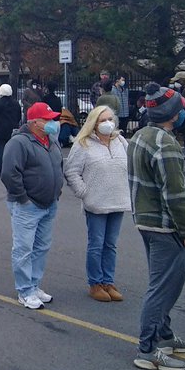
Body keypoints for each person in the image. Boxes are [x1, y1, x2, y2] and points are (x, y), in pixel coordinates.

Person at [128, 84, 185, 370]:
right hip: (166, 226)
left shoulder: (140, 136)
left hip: (146, 220)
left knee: (162, 284)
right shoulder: (165, 144)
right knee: (164, 288)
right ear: (173, 113)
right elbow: (175, 195)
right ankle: (148, 348)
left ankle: (164, 335)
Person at [0, 102, 64, 310]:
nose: (52, 122)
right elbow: (9, 173)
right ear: (35, 122)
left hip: (48, 203)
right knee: (23, 249)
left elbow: (58, 165)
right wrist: (23, 198)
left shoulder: (50, 140)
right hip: (28, 205)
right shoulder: (19, 142)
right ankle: (25, 290)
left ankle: (34, 285)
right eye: (48, 119)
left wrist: (56, 191)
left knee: (41, 247)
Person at [64, 105, 129, 302]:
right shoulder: (83, 144)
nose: (108, 123)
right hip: (96, 203)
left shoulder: (120, 141)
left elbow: (132, 165)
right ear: (94, 123)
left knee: (111, 244)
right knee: (97, 244)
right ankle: (96, 283)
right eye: (102, 120)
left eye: (110, 119)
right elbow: (71, 171)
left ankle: (108, 281)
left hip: (118, 201)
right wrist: (84, 193)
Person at [0, 83, 20, 177]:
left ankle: (0, 170)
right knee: (12, 151)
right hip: (13, 130)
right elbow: (18, 116)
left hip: (0, 130)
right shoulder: (15, 103)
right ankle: (12, 169)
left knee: (1, 151)